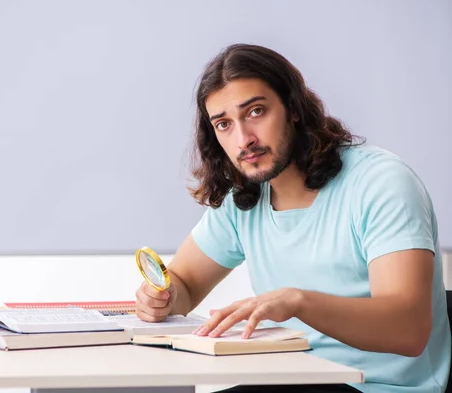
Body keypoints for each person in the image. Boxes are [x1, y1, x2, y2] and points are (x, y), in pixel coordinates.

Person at [134, 44, 450, 393]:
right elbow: (185, 283)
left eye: (255, 111)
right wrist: (162, 299)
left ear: (294, 108)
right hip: (294, 378)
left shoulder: (380, 183)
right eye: (224, 124)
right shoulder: (245, 197)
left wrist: (299, 301)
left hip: (380, 387)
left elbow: (407, 330)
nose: (244, 140)